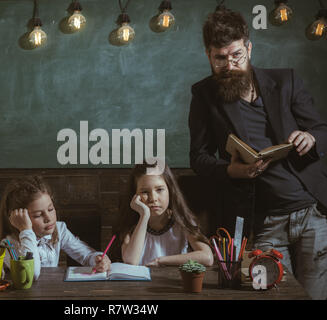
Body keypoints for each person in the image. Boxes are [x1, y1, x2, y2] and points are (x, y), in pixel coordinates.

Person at [189, 6, 327, 299]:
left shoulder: (286, 80)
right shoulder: (203, 95)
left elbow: (321, 128)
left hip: (310, 212)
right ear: (208, 55)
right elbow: (198, 158)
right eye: (220, 58)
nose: (229, 65)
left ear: (249, 48)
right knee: (269, 295)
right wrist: (231, 170)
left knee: (317, 295)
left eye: (236, 55)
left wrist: (310, 137)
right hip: (260, 222)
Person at [0, 175, 111, 280]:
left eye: (50, 209)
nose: (48, 218)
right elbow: (32, 274)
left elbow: (85, 255)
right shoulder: (10, 243)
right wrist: (26, 231)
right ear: (19, 218)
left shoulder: (59, 229)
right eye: (38, 215)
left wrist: (97, 259)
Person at [113, 162, 214, 267]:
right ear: (135, 196)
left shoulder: (181, 221)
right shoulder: (131, 225)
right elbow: (131, 261)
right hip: (140, 283)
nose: (153, 198)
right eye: (145, 192)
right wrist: (144, 216)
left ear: (170, 191)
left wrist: (161, 261)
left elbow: (207, 257)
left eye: (159, 189)